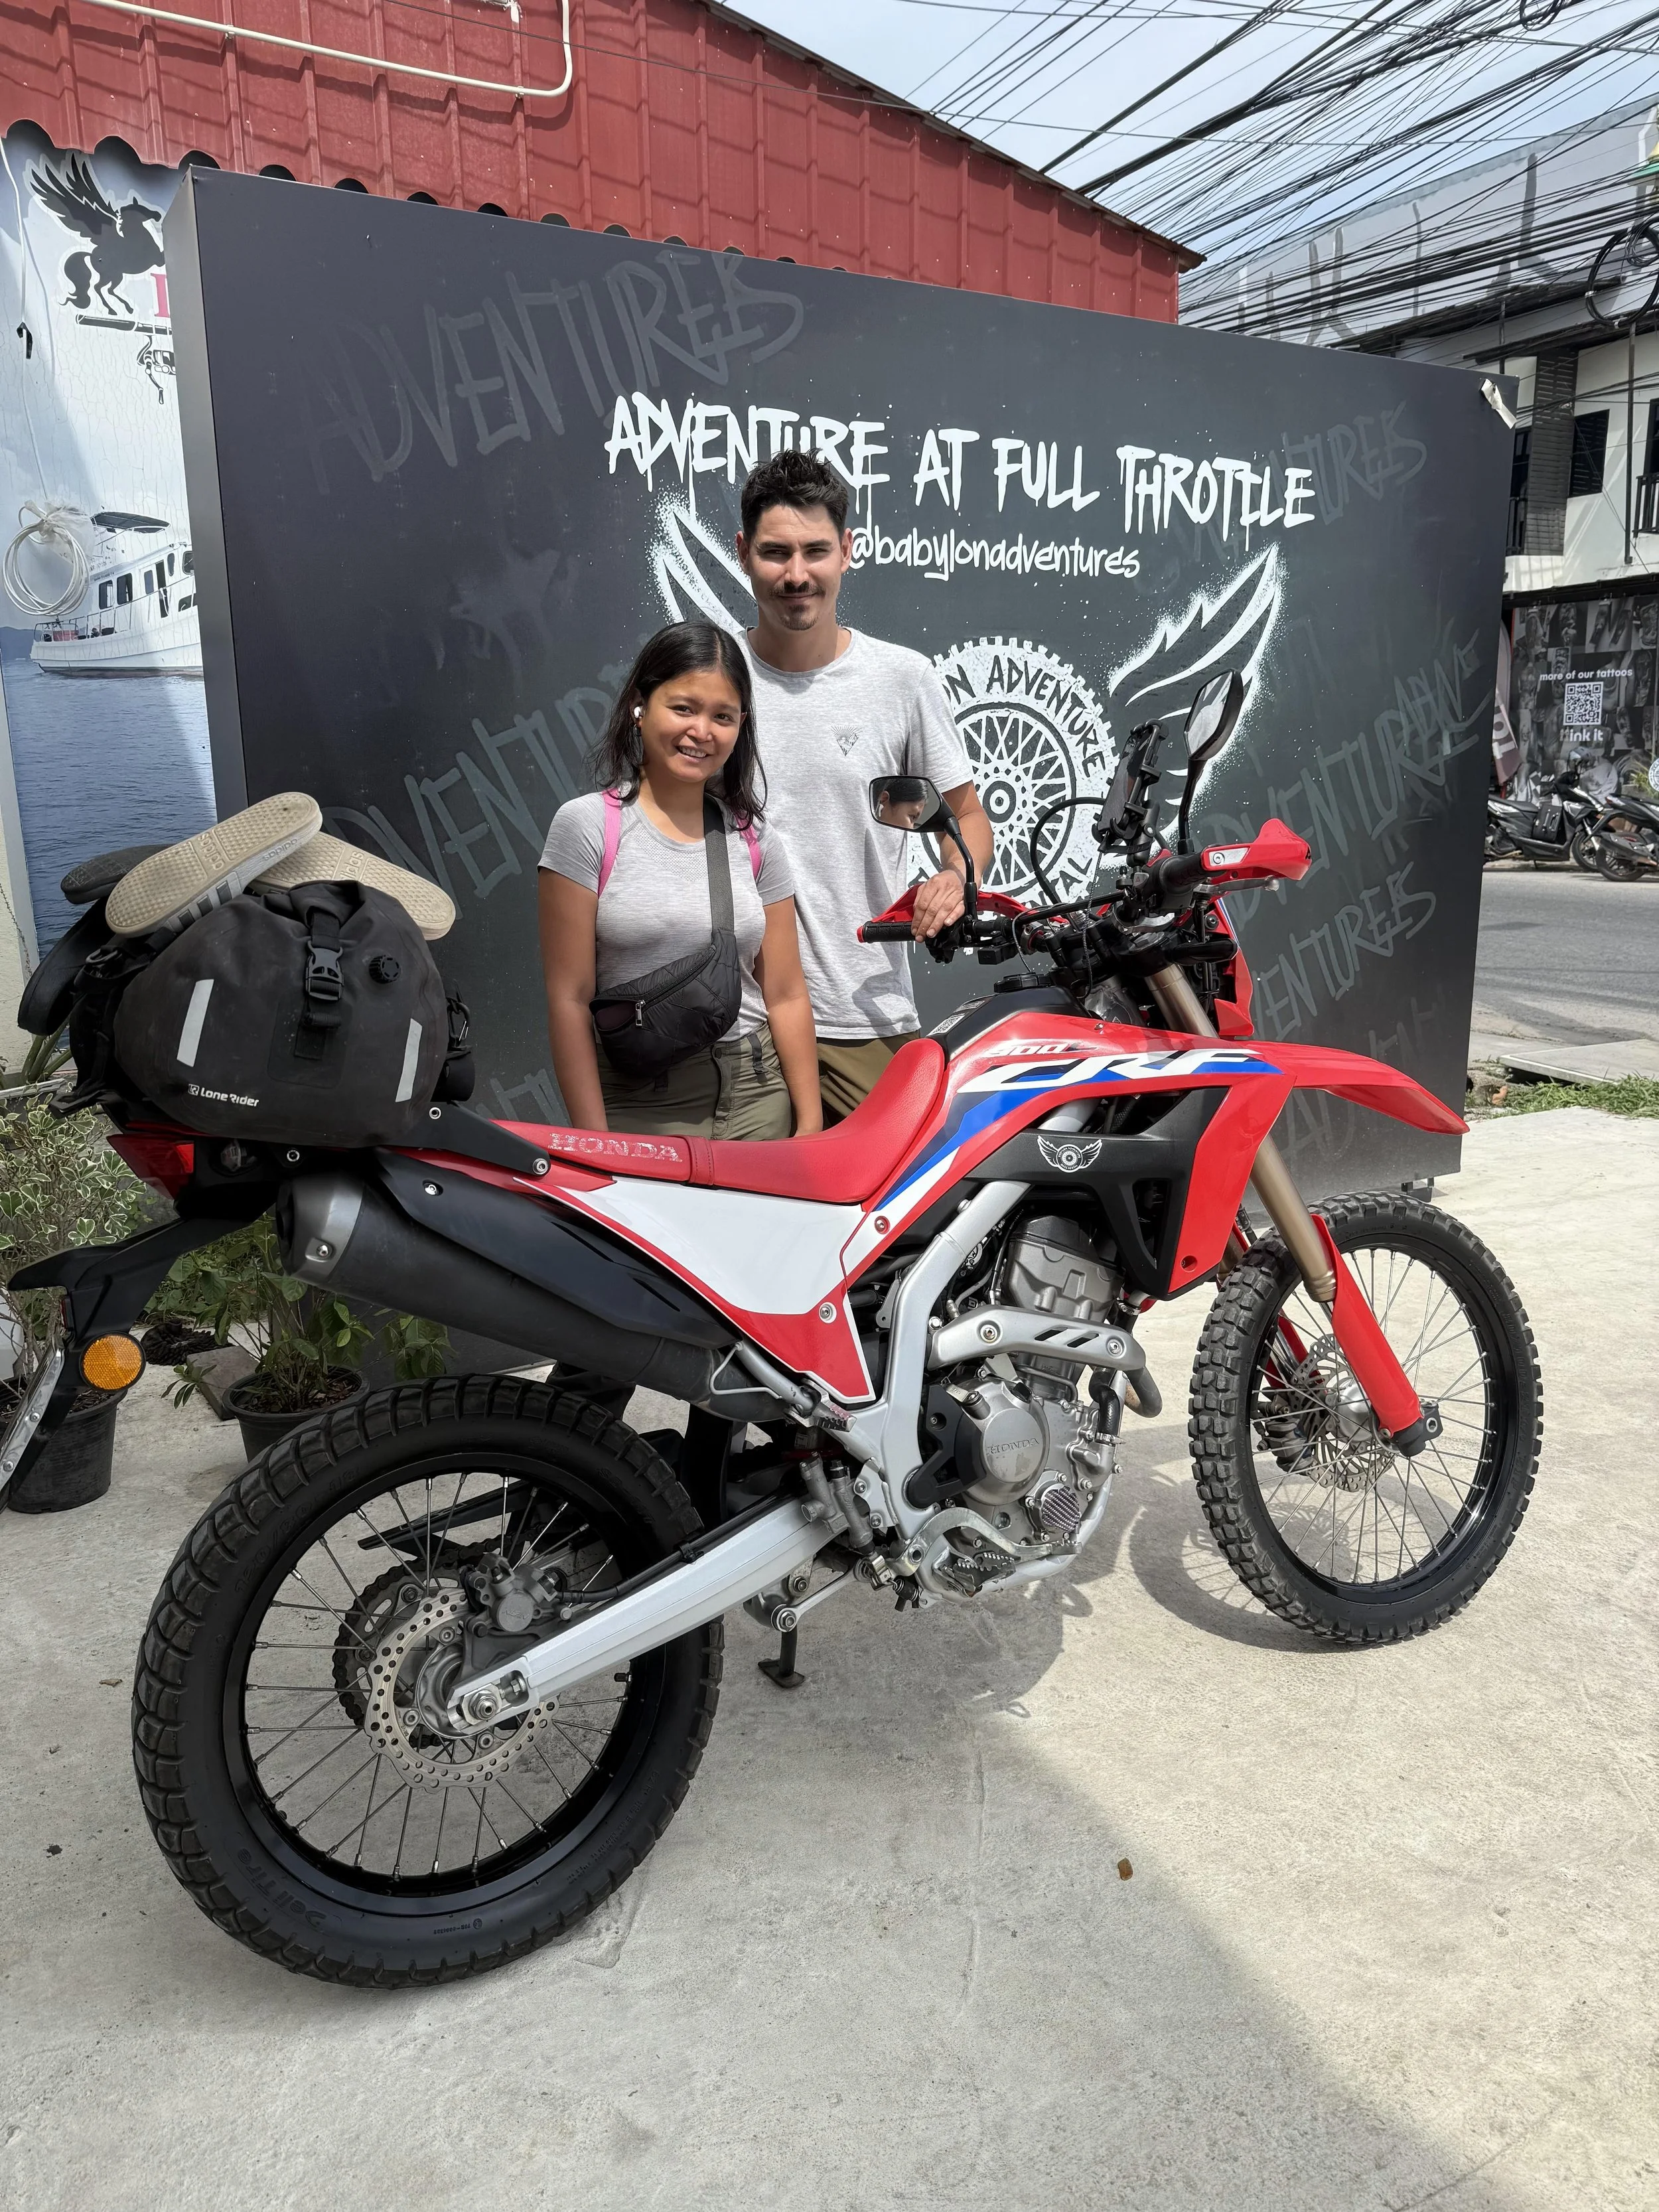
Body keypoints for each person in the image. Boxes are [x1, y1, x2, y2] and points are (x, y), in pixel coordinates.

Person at [735, 450, 993, 1122]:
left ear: (848, 551)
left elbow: (966, 817)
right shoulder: (707, 678)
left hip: (863, 1013)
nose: (797, 575)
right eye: (775, 553)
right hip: (735, 1024)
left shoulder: (902, 680)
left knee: (895, 1219)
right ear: (741, 552)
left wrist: (955, 880)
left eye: (816, 551)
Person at [539, 621, 821, 1139]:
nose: (702, 732)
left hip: (758, 1094)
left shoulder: (755, 838)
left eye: (723, 716)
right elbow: (569, 999)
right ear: (639, 706)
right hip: (641, 1099)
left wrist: (809, 1124)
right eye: (684, 708)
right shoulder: (586, 827)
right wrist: (596, 1142)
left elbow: (784, 992)